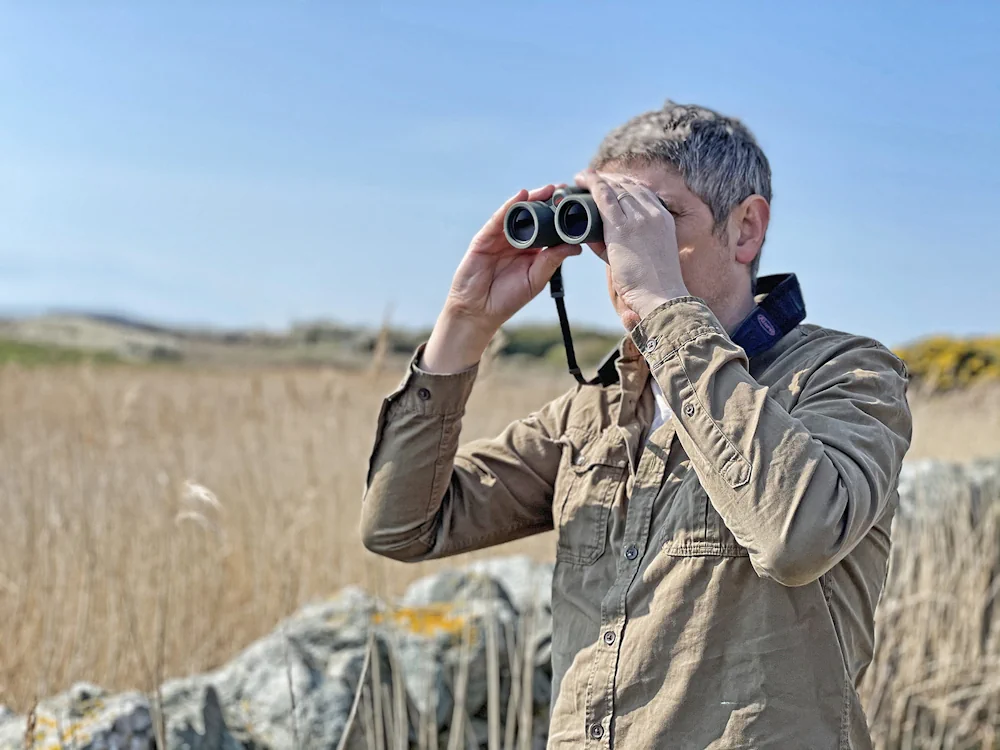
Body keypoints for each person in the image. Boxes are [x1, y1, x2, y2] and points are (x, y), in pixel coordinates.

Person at [359, 100, 912, 749]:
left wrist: (661, 307)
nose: (625, 251)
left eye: (655, 219)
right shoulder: (594, 413)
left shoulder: (845, 375)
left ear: (746, 228)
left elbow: (796, 536)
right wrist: (464, 323)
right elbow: (400, 526)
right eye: (612, 222)